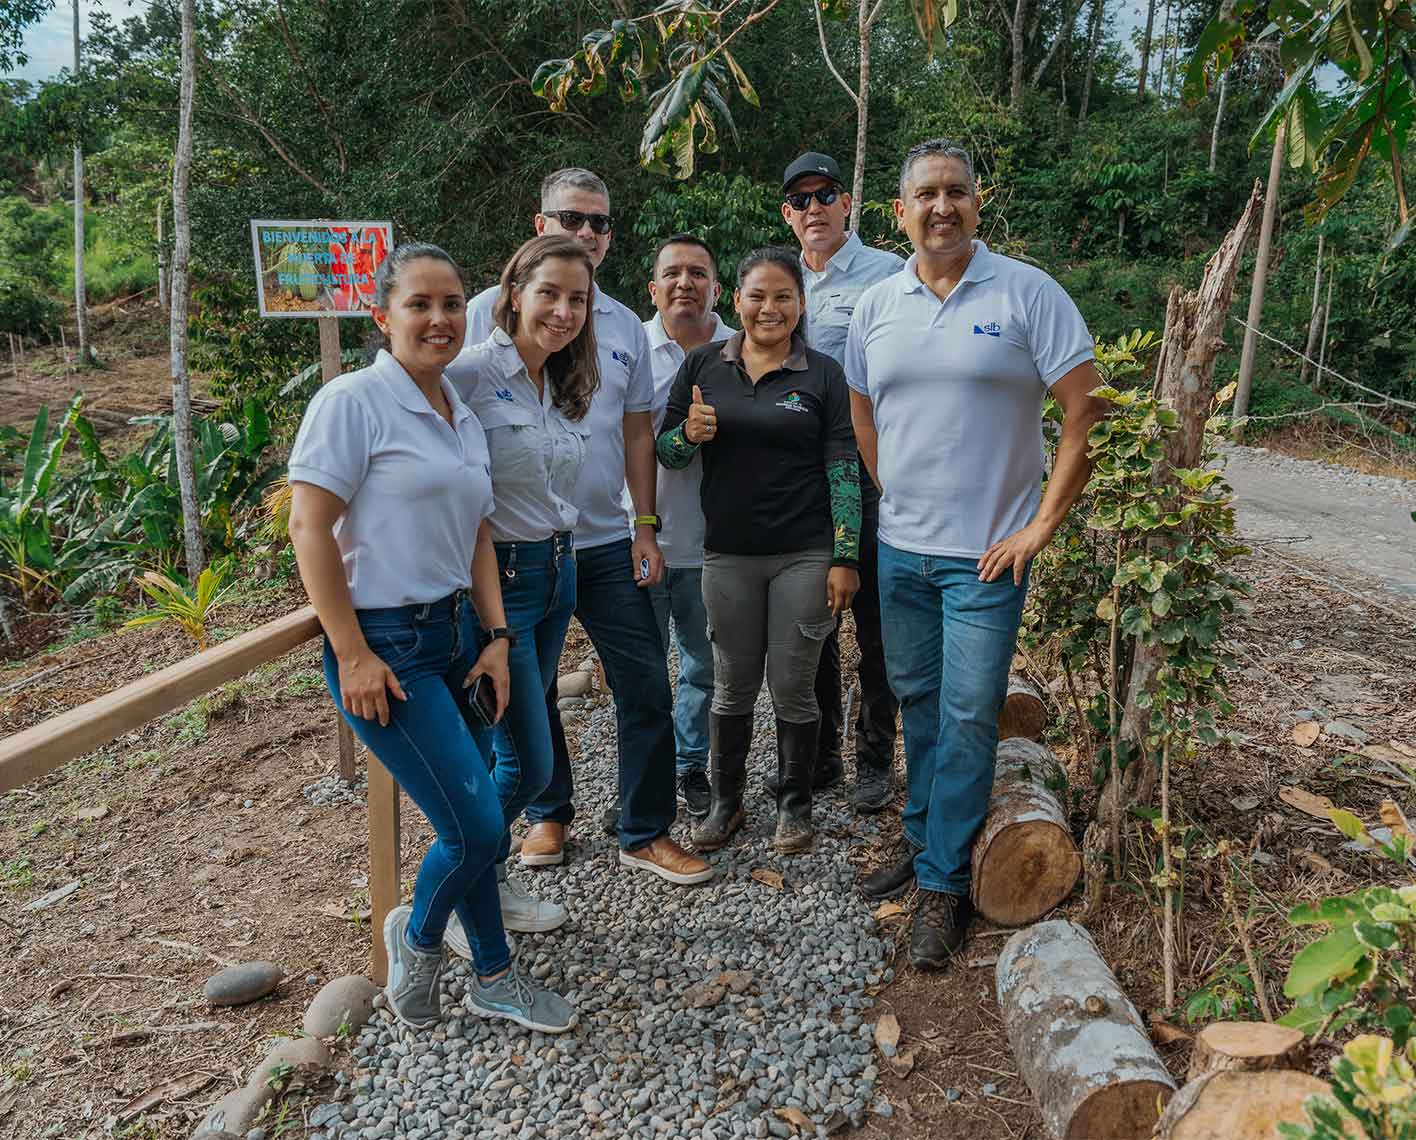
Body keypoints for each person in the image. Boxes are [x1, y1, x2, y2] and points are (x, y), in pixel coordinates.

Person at [287, 242, 575, 1033]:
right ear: (383, 317)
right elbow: (309, 528)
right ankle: (417, 938)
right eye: (420, 304)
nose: (440, 319)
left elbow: (478, 528)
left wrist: (494, 634)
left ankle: (492, 976)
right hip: (387, 644)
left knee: (474, 807)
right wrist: (352, 652)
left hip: (457, 632)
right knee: (478, 824)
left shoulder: (458, 408)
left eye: (452, 304)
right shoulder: (352, 403)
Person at [845, 140, 1104, 969]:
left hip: (987, 558)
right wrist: (895, 496)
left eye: (956, 191)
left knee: (965, 714)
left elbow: (1086, 412)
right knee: (917, 701)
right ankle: (927, 839)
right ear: (900, 210)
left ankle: (944, 886)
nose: (941, 207)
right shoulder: (878, 305)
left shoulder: (1029, 292)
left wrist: (1039, 528)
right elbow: (861, 414)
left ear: (977, 201)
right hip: (901, 553)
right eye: (926, 194)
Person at [465, 168, 712, 886]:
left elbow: (639, 433)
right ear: (538, 224)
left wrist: (645, 526)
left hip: (605, 539)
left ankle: (644, 827)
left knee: (645, 685)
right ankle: (549, 812)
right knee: (530, 690)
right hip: (516, 547)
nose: (586, 232)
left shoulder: (625, 326)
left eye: (599, 223)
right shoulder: (488, 317)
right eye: (570, 218)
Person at [658, 247, 861, 854]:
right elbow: (666, 451)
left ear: (801, 305)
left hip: (804, 552)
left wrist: (845, 555)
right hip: (727, 555)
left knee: (794, 685)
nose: (769, 308)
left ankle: (794, 808)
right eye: (758, 296)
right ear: (736, 301)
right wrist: (686, 435)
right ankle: (726, 805)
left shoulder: (823, 373)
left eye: (783, 297)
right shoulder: (703, 366)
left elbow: (844, 464)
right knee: (731, 684)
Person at [440, 235, 598, 958]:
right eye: (550, 294)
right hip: (496, 585)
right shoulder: (468, 376)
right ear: (512, 296)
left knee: (519, 757)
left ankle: (484, 876)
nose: (564, 311)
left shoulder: (557, 381)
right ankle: (446, 887)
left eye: (578, 299)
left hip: (556, 571)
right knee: (521, 764)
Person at [779, 151, 903, 814]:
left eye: (825, 195)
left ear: (848, 202)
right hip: (802, 484)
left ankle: (876, 759)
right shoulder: (780, 281)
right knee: (813, 623)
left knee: (878, 627)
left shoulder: (889, 274)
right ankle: (822, 756)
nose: (814, 209)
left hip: (872, 473)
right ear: (787, 214)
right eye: (800, 200)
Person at [641, 233, 733, 818]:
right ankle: (644, 780)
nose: (684, 283)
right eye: (672, 273)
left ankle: (689, 766)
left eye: (697, 273)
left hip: (714, 542)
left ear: (716, 287)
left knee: (702, 666)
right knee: (642, 671)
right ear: (653, 289)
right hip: (642, 538)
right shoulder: (626, 349)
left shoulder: (743, 347)